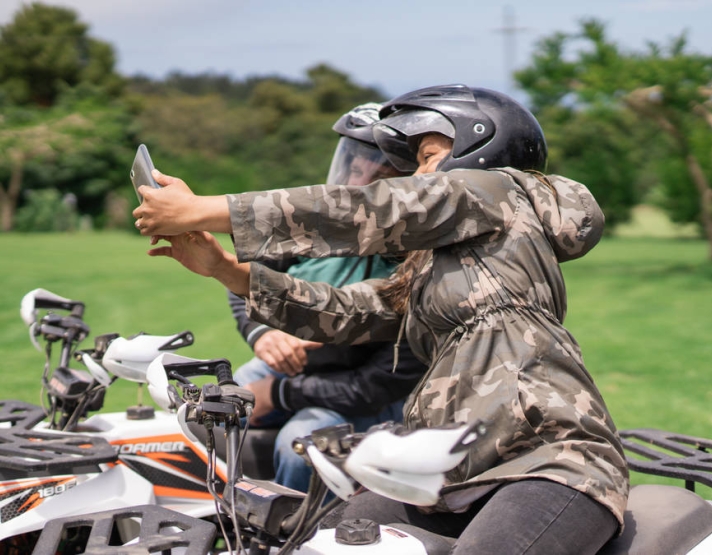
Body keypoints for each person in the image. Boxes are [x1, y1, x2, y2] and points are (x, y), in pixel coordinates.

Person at [133, 84, 629, 555]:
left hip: (549, 459)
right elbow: (352, 311)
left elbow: (372, 208)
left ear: (480, 149)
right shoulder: (437, 265)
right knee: (325, 539)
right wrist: (227, 271)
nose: (415, 176)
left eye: (429, 159)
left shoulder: (495, 192)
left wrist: (203, 209)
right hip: (454, 473)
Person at [227, 103, 427, 493]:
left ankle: (301, 540)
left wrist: (279, 394)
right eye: (355, 169)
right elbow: (243, 280)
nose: (357, 187)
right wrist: (262, 336)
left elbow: (373, 387)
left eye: (380, 178)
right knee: (211, 413)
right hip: (295, 371)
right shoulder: (313, 223)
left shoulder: (420, 264)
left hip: (374, 397)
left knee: (300, 447)